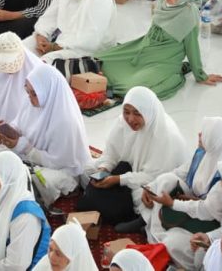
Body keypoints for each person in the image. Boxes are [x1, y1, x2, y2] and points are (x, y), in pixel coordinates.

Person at [99, 0, 222, 98]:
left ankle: (174, 76)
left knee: (132, 90)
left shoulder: (189, 16)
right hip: (145, 49)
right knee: (102, 60)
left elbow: (192, 49)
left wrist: (201, 76)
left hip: (164, 62)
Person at [77, 87, 188, 226]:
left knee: (143, 196)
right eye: (126, 112)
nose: (130, 119)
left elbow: (153, 176)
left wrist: (118, 179)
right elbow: (111, 153)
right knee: (87, 170)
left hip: (153, 180)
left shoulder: (165, 135)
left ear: (148, 112)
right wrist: (104, 169)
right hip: (127, 171)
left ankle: (139, 220)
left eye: (137, 113)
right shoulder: (123, 123)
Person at [142, 117, 222, 267]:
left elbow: (208, 211)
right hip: (190, 203)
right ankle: (153, 226)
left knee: (173, 243)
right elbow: (181, 172)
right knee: (166, 179)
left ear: (216, 139)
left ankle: (161, 234)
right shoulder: (203, 153)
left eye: (205, 133)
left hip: (209, 220)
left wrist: (174, 203)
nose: (199, 134)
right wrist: (151, 186)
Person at [0, 65, 90, 205]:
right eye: (27, 91)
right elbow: (19, 123)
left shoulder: (65, 121)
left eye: (34, 94)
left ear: (49, 92)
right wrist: (8, 130)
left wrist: (24, 147)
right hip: (29, 158)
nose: (29, 97)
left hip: (60, 169)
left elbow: (58, 162)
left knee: (34, 181)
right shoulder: (30, 101)